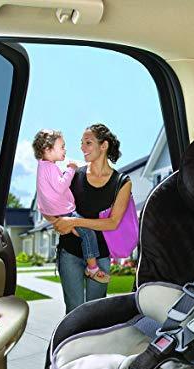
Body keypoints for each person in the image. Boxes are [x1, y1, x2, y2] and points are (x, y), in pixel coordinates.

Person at [52, 123, 132, 314]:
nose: (82, 147)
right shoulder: (74, 175)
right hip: (70, 253)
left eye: (88, 143)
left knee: (95, 312)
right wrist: (62, 221)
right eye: (81, 143)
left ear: (103, 145)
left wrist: (75, 222)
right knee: (74, 311)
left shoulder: (121, 182)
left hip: (101, 256)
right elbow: (59, 210)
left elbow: (112, 223)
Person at [33, 129, 110, 284]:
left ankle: (74, 230)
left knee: (78, 232)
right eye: (62, 147)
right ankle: (92, 268)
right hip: (64, 211)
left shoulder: (42, 166)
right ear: (48, 149)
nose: (65, 150)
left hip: (51, 212)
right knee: (88, 233)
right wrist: (71, 169)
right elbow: (61, 186)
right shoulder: (50, 168)